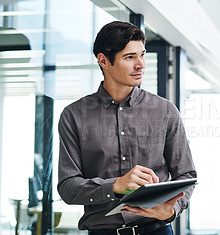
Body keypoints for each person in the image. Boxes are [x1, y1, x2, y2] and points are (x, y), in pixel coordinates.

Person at [57, 21, 197, 235]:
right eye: (130, 57)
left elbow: (186, 175)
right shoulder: (74, 116)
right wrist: (115, 186)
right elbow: (68, 186)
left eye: (142, 55)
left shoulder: (165, 111)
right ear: (104, 60)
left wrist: (170, 211)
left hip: (157, 230)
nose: (141, 65)